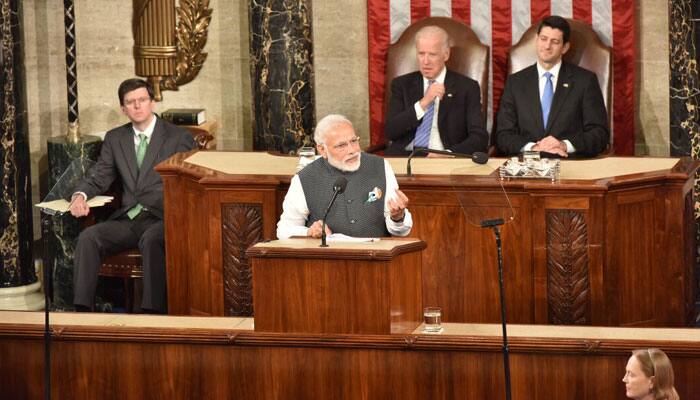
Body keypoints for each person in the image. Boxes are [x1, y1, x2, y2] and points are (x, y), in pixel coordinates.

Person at [70, 78, 196, 313]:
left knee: (151, 240)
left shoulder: (177, 137)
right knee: (89, 237)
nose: (137, 106)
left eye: (142, 100)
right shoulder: (115, 138)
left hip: (165, 217)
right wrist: (80, 195)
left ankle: (152, 313)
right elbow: (99, 175)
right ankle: (83, 312)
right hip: (130, 216)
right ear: (123, 109)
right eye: (131, 102)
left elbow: (189, 182)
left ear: (152, 103)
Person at [277, 114, 412, 239]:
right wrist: (308, 232)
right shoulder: (306, 178)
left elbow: (400, 231)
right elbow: (284, 230)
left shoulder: (380, 167)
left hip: (375, 259)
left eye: (354, 141)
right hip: (327, 261)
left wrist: (398, 217)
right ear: (322, 150)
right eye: (341, 145)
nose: (352, 150)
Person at [495, 15, 609, 157]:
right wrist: (534, 147)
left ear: (565, 47)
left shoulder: (585, 81)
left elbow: (599, 134)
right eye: (543, 39)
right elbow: (503, 135)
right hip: (527, 167)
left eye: (554, 42)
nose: (547, 46)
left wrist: (564, 145)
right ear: (537, 40)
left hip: (571, 166)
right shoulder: (515, 83)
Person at [383, 25, 488, 157]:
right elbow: (391, 131)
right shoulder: (402, 84)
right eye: (421, 54)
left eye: (432, 54)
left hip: (445, 159)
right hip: (406, 156)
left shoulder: (467, 87)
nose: (425, 61)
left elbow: (479, 138)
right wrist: (423, 103)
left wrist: (448, 154)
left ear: (446, 54)